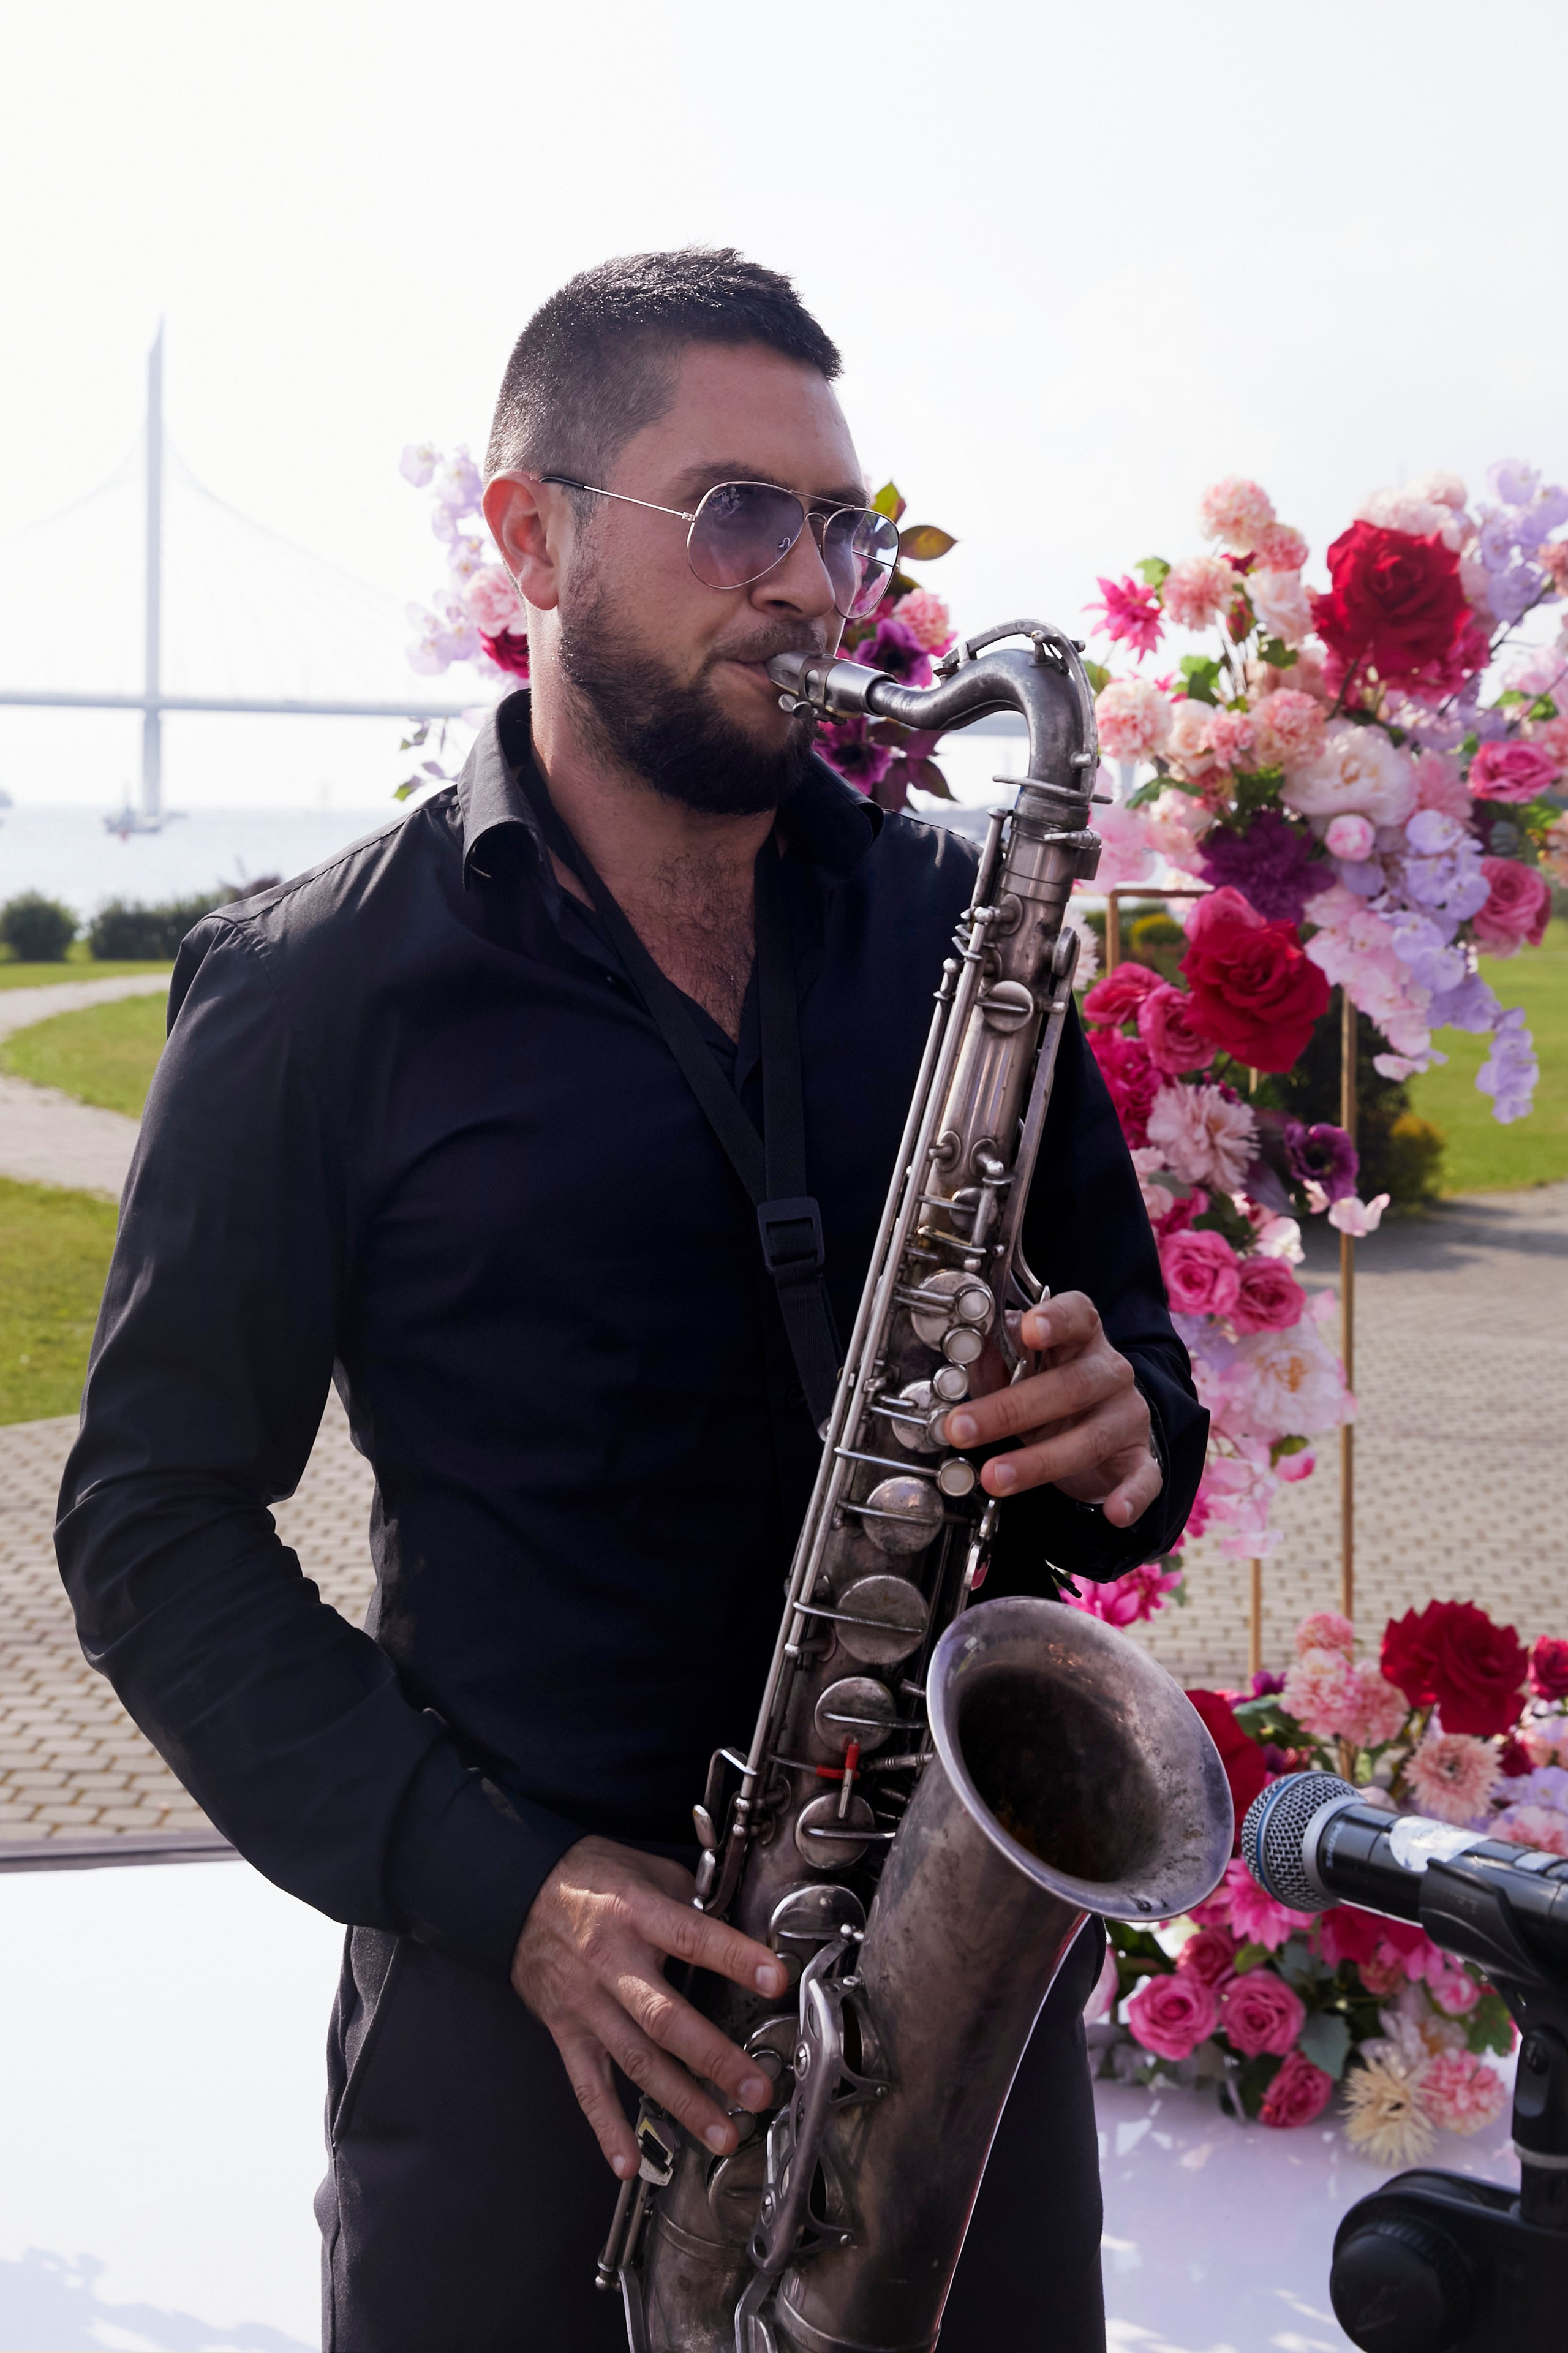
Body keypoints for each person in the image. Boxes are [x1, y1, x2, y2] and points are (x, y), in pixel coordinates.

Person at [56, 248, 1207, 2353]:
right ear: (536, 534)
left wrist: (1120, 1436)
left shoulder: (964, 926)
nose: (814, 587)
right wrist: (517, 1892)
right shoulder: (315, 991)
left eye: (846, 528)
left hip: (945, 2024)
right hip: (524, 2062)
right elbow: (149, 1528)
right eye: (740, 513)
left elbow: (1137, 1409)